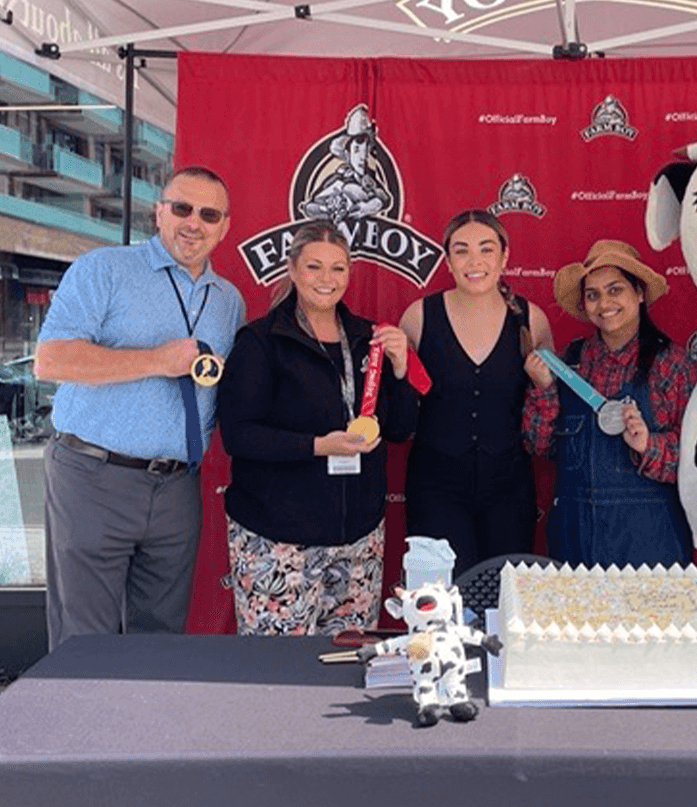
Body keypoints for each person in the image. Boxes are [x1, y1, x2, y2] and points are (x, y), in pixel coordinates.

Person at [34, 166, 244, 649]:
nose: (194, 223)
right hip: (93, 475)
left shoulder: (228, 301)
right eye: (182, 208)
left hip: (176, 487)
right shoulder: (103, 269)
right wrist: (155, 360)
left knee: (160, 640)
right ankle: (81, 728)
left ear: (225, 226)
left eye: (208, 214)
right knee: (83, 640)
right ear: (159, 211)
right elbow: (50, 359)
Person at [217, 222, 420, 635]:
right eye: (314, 267)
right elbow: (239, 436)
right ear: (292, 270)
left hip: (358, 541)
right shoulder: (260, 342)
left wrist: (401, 371)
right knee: (277, 674)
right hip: (278, 542)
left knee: (344, 666)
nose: (327, 280)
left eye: (338, 269)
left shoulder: (369, 338)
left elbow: (399, 429)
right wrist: (318, 446)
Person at [522, 239, 697, 568]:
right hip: (575, 541)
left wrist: (649, 445)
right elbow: (539, 446)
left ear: (640, 293)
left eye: (615, 290)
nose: (604, 303)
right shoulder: (570, 363)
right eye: (593, 294)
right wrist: (544, 389)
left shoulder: (671, 365)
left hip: (650, 546)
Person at [400, 209, 553, 576]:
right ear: (448, 260)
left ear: (504, 256)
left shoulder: (531, 320)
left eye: (486, 249)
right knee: (439, 606)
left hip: (509, 491)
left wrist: (545, 386)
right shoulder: (419, 316)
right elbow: (399, 414)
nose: (475, 261)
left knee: (502, 602)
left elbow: (546, 416)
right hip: (435, 488)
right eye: (462, 250)